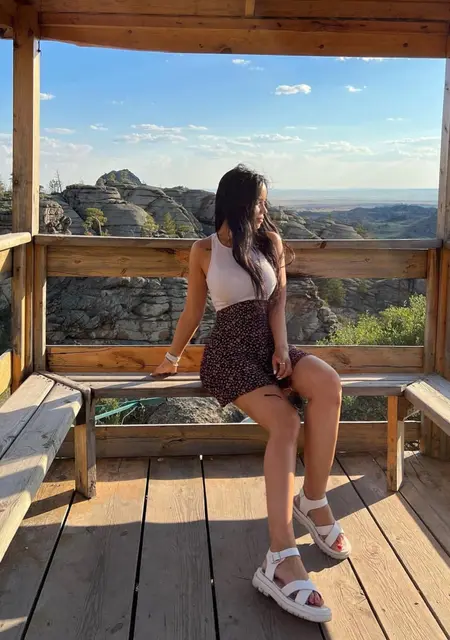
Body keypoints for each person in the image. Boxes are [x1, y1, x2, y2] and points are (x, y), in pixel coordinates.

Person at [153, 164, 351, 623]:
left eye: (265, 202)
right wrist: (172, 356)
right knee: (286, 422)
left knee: (328, 384)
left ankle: (313, 500)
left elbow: (277, 303)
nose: (264, 210)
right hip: (230, 354)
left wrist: (282, 347)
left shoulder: (270, 243)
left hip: (269, 345)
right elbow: (193, 310)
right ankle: (280, 555)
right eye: (258, 202)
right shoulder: (203, 250)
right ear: (237, 204)